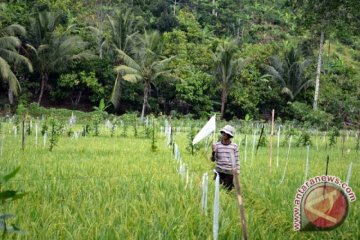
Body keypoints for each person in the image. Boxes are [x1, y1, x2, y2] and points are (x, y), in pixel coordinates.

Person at [211, 125, 239, 191]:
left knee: (227, 191)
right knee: (216, 189)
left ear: (229, 135)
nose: (223, 134)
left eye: (225, 133)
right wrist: (213, 152)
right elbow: (213, 160)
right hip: (219, 171)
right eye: (223, 132)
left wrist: (237, 171)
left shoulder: (234, 146)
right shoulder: (217, 145)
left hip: (229, 172)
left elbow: (237, 159)